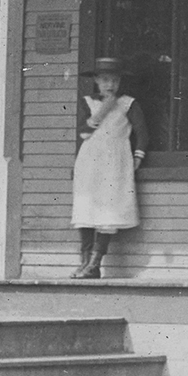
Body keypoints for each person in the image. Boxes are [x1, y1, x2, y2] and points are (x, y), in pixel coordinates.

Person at [71, 56, 147, 279]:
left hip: (114, 163)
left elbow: (142, 133)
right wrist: (101, 111)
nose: (110, 85)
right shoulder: (88, 102)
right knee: (86, 209)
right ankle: (84, 261)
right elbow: (83, 133)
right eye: (104, 80)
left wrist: (137, 157)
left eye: (114, 80)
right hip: (90, 161)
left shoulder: (128, 104)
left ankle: (95, 263)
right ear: (96, 80)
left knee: (107, 212)